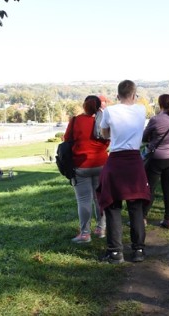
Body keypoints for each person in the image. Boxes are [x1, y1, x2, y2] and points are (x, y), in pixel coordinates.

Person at [97, 80, 150, 264]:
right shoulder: (141, 110)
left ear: (117, 95)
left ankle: (115, 252)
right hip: (134, 161)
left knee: (112, 207)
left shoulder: (110, 111)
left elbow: (104, 134)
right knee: (136, 207)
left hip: (117, 159)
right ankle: (138, 250)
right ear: (134, 95)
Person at [67, 95, 110, 244]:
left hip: (81, 165)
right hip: (101, 164)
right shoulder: (104, 120)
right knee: (100, 198)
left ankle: (85, 234)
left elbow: (67, 139)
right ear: (99, 106)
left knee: (84, 200)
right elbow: (108, 140)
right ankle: (101, 228)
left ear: (84, 105)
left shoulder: (75, 121)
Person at [142, 94, 169, 229]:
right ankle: (168, 219)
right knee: (168, 187)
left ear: (160, 104)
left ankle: (143, 217)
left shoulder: (155, 119)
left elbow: (144, 137)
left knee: (150, 187)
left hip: (158, 157)